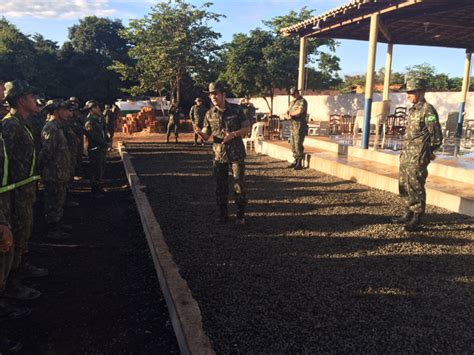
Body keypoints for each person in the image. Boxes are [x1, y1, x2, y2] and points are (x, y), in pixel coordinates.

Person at [2, 80, 45, 300]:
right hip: (13, 194)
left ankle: (19, 272)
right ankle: (12, 284)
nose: (35, 100)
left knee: (23, 232)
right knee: (15, 237)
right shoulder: (10, 125)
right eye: (30, 96)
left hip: (24, 190)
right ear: (20, 100)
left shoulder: (23, 124)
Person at [194, 81, 251, 225]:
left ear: (223, 95)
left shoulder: (236, 110)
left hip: (236, 153)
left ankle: (240, 215)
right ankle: (222, 214)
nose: (213, 97)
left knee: (239, 184)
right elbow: (207, 135)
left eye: (216, 94)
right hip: (219, 156)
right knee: (220, 186)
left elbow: (247, 128)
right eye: (211, 95)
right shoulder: (209, 113)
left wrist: (233, 134)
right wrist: (200, 133)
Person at [392, 78, 443, 230]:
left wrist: (428, 153)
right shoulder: (413, 110)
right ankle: (408, 211)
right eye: (407, 92)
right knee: (404, 184)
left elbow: (437, 136)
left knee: (415, 185)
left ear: (421, 92)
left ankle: (417, 216)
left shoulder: (428, 110)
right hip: (407, 155)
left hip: (418, 156)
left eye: (411, 92)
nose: (408, 95)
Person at [39, 100, 73, 239]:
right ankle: (52, 229)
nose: (68, 113)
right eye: (65, 110)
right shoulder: (51, 128)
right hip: (53, 174)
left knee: (58, 201)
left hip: (60, 172)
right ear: (57, 111)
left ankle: (57, 223)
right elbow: (47, 152)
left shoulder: (58, 127)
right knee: (52, 202)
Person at [83, 100, 108, 198]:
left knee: (101, 169)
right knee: (96, 170)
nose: (99, 109)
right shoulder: (90, 121)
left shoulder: (97, 119)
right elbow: (92, 135)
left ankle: (100, 187)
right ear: (91, 109)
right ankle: (95, 191)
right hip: (95, 149)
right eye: (96, 107)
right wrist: (103, 142)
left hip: (100, 148)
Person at [285, 87, 308, 170]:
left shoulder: (302, 101)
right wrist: (286, 115)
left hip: (300, 125)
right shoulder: (292, 102)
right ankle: (295, 159)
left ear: (297, 93)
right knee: (292, 143)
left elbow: (300, 111)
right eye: (291, 94)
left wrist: (291, 115)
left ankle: (299, 162)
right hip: (292, 125)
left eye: (293, 94)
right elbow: (287, 111)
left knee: (298, 143)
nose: (292, 96)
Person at [67, 97, 85, 177]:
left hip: (79, 136)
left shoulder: (79, 113)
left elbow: (84, 122)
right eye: (72, 103)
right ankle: (72, 174)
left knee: (79, 155)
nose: (74, 104)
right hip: (70, 138)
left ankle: (78, 171)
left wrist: (78, 115)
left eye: (76, 102)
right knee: (71, 157)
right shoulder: (67, 113)